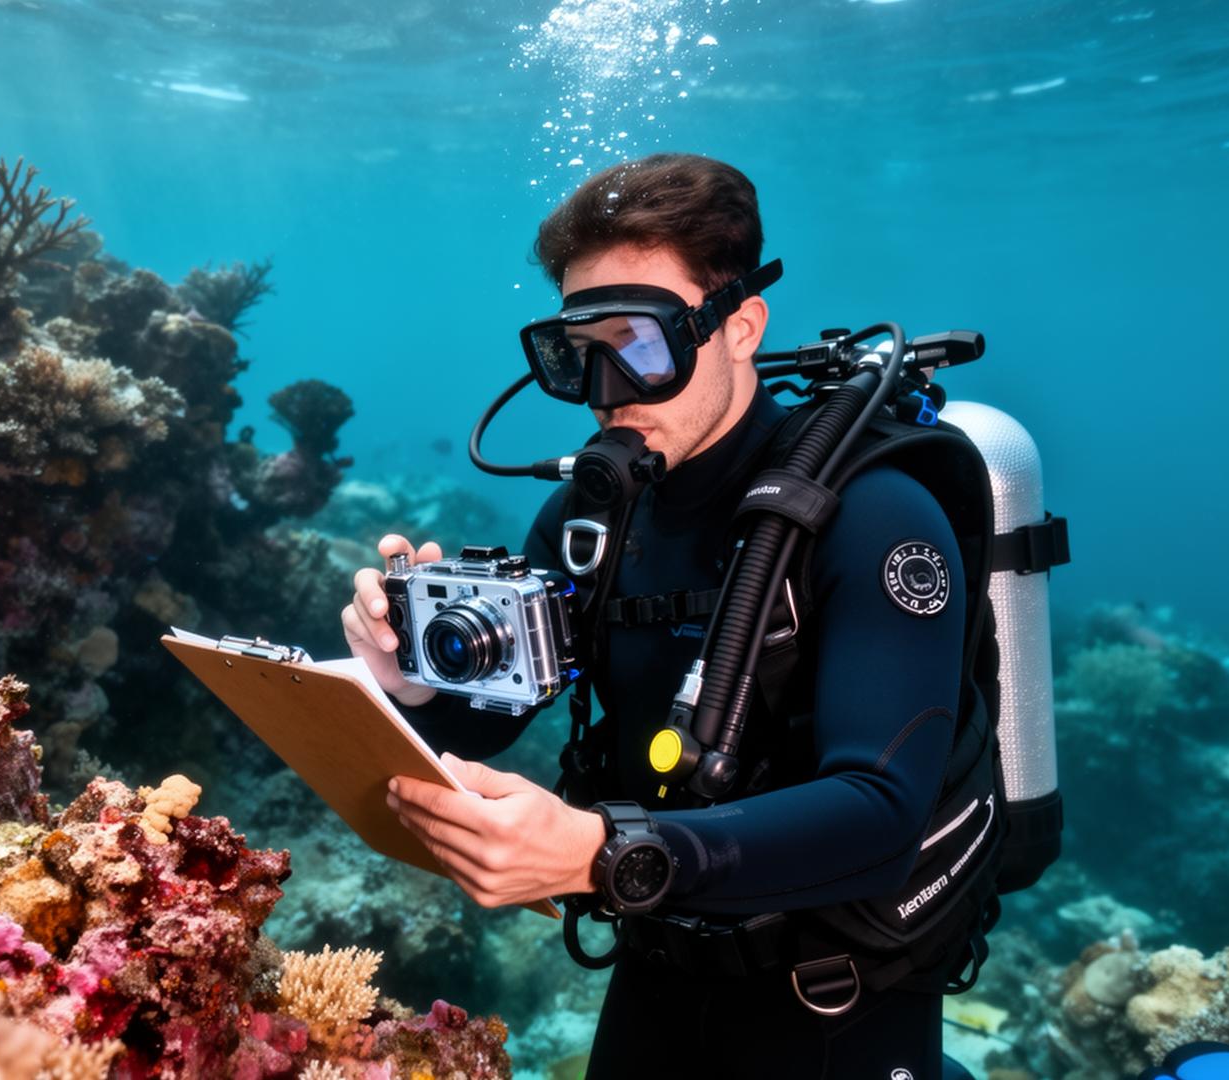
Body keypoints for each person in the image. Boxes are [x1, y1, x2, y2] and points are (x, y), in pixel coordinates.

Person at [342, 153, 977, 1078]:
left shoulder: (877, 516)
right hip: (657, 964)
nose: (609, 392)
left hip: (838, 992)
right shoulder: (584, 519)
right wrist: (413, 685)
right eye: (577, 355)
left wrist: (600, 854)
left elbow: (881, 819)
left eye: (640, 344)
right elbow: (505, 709)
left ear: (740, 328)